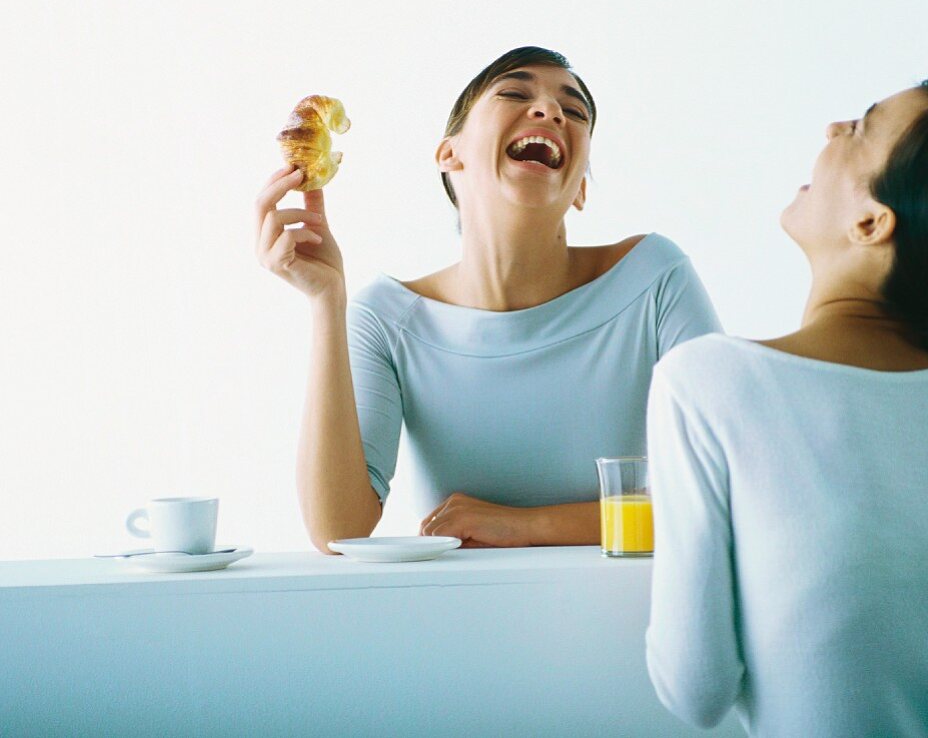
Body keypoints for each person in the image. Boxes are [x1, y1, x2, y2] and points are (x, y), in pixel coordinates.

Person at [644, 72, 928, 735]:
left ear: (872, 222)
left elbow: (695, 691)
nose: (833, 128)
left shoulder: (708, 383)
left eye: (863, 128)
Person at [254, 46, 722, 552]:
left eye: (576, 110)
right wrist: (327, 303)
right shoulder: (385, 319)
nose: (550, 111)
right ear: (448, 154)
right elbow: (338, 531)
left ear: (580, 186)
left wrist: (525, 526)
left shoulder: (654, 280)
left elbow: (730, 489)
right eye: (515, 94)